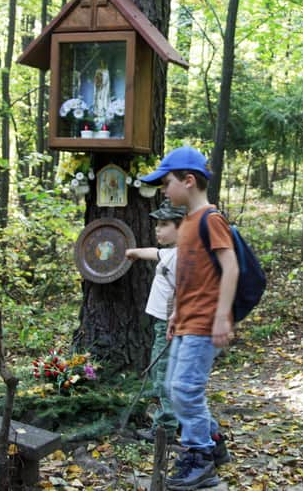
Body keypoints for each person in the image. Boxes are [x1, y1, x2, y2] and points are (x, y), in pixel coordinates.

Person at [140, 146, 238, 491]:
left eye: (167, 183)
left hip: (205, 323)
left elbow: (230, 267)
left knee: (185, 388)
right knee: (171, 386)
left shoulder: (211, 219)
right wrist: (175, 313)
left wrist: (223, 316)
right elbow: (189, 278)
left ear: (189, 180)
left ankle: (200, 458)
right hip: (185, 321)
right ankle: (212, 437)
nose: (164, 191)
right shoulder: (187, 225)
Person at [125, 199, 186, 443]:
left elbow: (186, 286)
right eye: (156, 225)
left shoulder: (181, 257)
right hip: (164, 325)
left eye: (164, 225)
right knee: (165, 373)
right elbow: (155, 253)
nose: (157, 230)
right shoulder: (172, 253)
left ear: (181, 227)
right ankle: (175, 419)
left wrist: (175, 314)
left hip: (170, 326)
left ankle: (165, 429)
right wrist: (135, 253)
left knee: (164, 376)